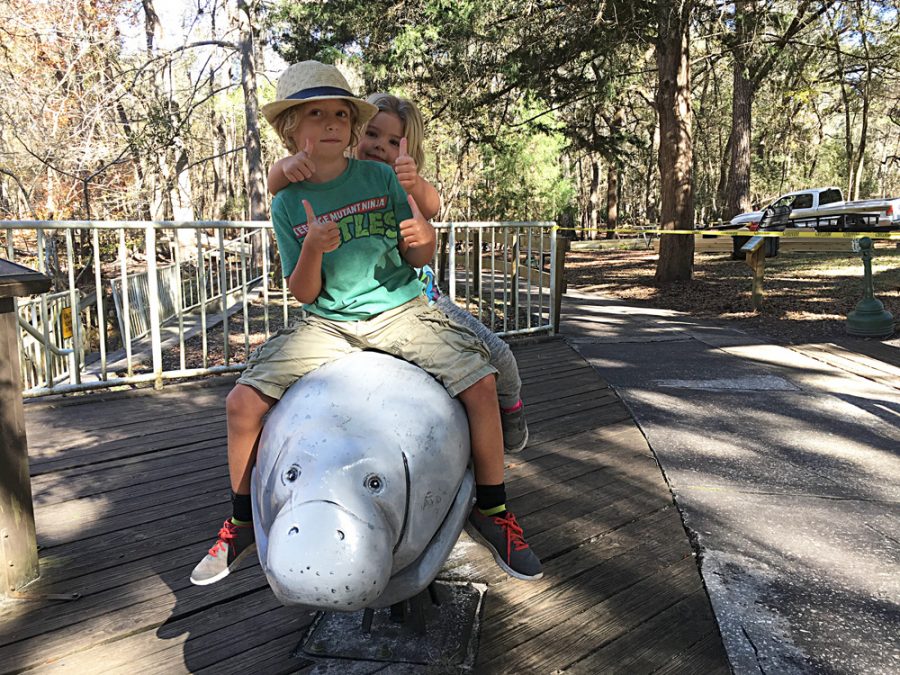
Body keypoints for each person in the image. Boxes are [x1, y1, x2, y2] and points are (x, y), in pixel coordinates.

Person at [190, 61, 541, 588]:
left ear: (350, 126)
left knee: (481, 380)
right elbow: (302, 291)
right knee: (241, 401)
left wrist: (423, 239)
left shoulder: (378, 176)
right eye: (316, 114)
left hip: (400, 310)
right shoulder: (288, 202)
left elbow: (417, 248)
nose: (331, 123)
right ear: (293, 130)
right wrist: (311, 248)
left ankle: (493, 510)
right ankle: (241, 520)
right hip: (327, 321)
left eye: (339, 113)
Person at [268, 91, 529, 454]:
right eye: (372, 135)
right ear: (357, 133)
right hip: (349, 312)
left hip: (420, 298)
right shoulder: (336, 177)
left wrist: (413, 182)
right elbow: (278, 185)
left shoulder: (397, 179)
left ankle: (511, 410)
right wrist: (280, 168)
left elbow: (431, 204)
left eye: (393, 141)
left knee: (499, 355)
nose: (380, 147)